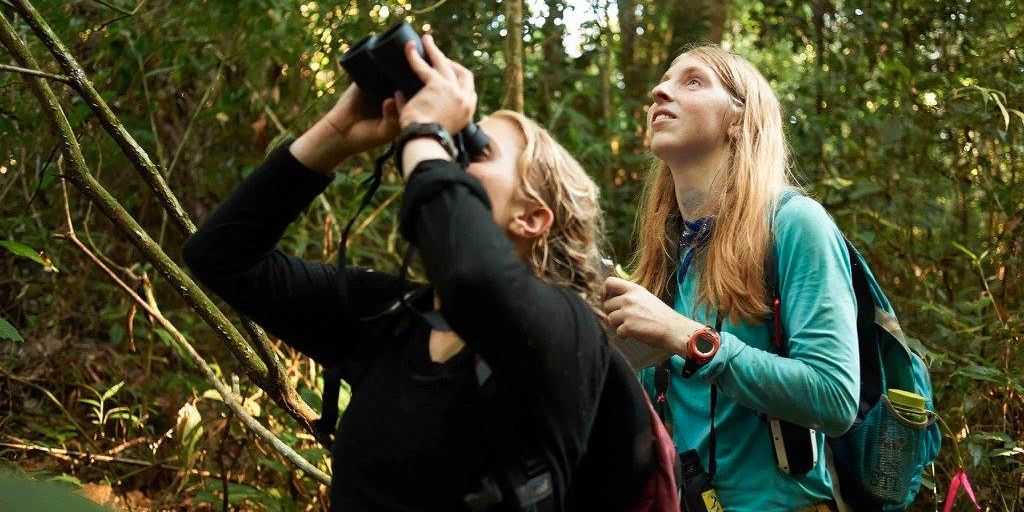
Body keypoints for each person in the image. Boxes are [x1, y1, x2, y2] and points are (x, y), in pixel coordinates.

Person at [182, 34, 654, 511]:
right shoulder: (393, 319)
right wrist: (336, 135)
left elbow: (476, 279)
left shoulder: (567, 331)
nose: (451, 154)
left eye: (478, 148)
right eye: (456, 143)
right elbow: (222, 257)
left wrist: (427, 129)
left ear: (531, 218)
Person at [600, 45, 859, 511]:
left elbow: (835, 397)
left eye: (692, 81)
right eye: (663, 80)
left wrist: (690, 339)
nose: (659, 91)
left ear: (738, 118)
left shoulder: (795, 224)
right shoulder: (669, 251)